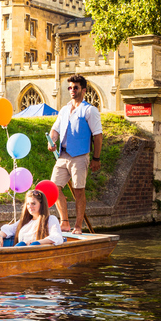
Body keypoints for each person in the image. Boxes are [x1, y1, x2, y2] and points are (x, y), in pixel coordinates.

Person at [47, 74, 103, 235]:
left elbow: (98, 136)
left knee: (79, 191)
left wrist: (96, 158)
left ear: (83, 90)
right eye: (70, 87)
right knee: (53, 188)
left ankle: (78, 226)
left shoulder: (89, 110)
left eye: (75, 87)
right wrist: (52, 140)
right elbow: (55, 129)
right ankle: (64, 222)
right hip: (63, 155)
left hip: (80, 156)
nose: (72, 90)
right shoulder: (64, 110)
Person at [0, 189, 64, 246]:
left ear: (41, 205)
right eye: (28, 204)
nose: (30, 206)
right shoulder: (24, 221)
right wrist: (0, 236)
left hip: (38, 253)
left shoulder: (50, 219)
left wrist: (37, 243)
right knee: (20, 245)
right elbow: (8, 229)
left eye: (33, 204)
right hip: (21, 253)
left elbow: (57, 237)